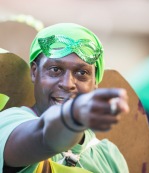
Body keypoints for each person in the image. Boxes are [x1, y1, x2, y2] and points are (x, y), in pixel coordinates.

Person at [0, 23, 129, 173]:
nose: (68, 84)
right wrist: (72, 116)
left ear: (95, 83)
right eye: (55, 70)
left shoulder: (109, 157)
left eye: (82, 73)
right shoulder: (9, 124)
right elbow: (43, 136)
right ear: (34, 72)